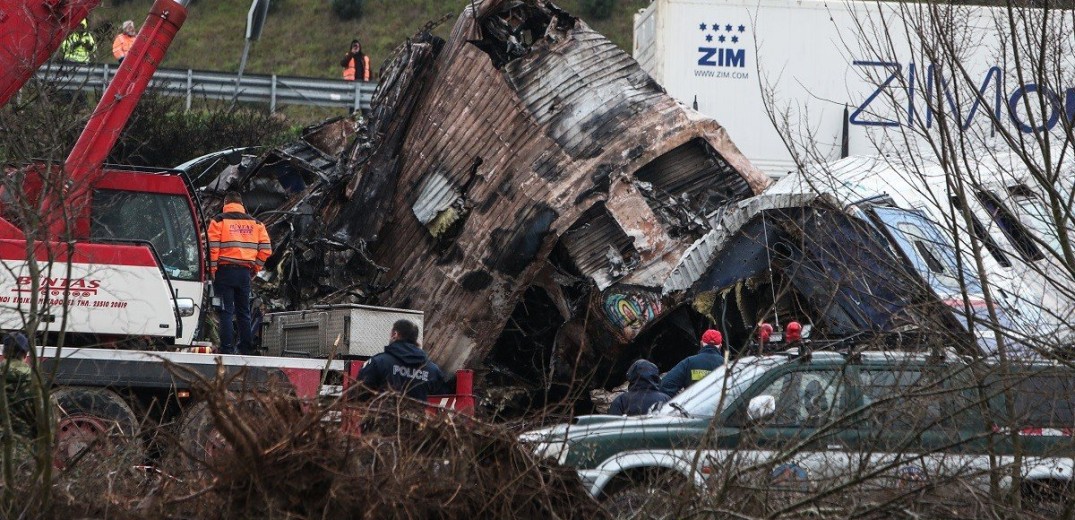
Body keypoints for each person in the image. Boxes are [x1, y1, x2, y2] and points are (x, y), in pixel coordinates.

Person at [208, 191, 272, 355]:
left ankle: (227, 349)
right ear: (242, 205)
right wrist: (255, 269)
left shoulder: (219, 221)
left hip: (224, 272)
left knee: (226, 312)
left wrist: (212, 269)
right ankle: (245, 348)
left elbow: (213, 248)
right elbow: (266, 250)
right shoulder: (256, 224)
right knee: (244, 311)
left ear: (226, 203)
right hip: (244, 272)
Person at [357, 319, 445, 401]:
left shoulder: (377, 362)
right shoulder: (433, 371)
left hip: (380, 416)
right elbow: (441, 400)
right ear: (415, 338)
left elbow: (358, 396)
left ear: (394, 334)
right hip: (418, 417)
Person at [660, 329, 724, 397]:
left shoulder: (689, 362)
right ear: (720, 346)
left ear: (701, 343)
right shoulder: (727, 366)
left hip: (693, 406)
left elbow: (666, 384)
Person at [2, 332, 38, 448]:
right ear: (25, 355)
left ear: (4, 354)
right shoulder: (37, 387)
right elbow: (47, 430)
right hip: (24, 457)